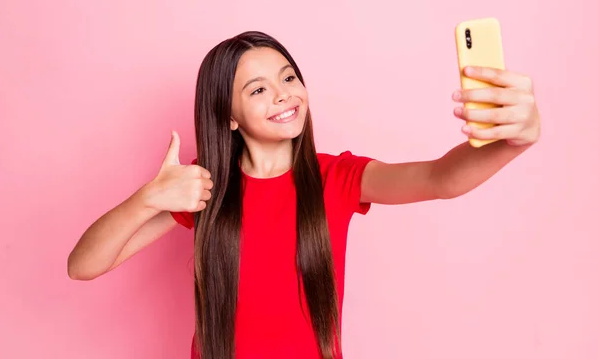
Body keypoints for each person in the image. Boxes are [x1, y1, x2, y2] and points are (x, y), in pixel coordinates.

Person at [67, 31, 541, 359]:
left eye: (288, 78)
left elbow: (441, 178)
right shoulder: (204, 188)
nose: (282, 94)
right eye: (258, 89)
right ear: (227, 116)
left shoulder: (337, 177)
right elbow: (83, 265)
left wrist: (513, 141)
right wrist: (149, 198)